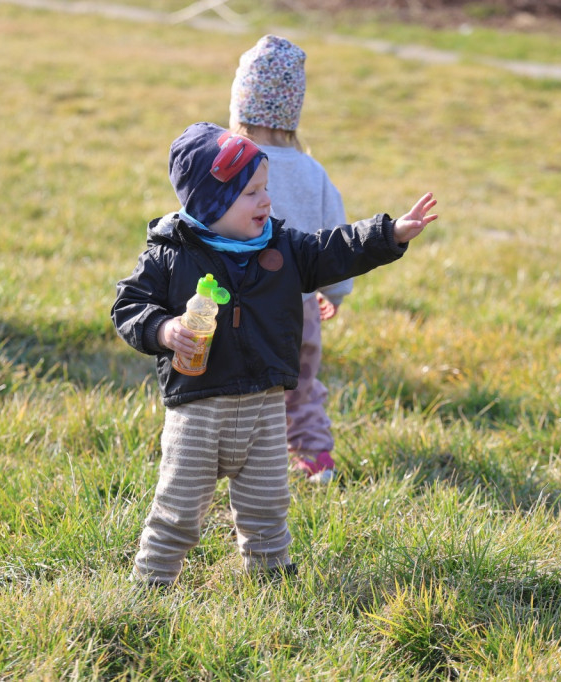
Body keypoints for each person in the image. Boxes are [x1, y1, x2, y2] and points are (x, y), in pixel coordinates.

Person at [112, 121, 437, 587]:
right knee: (180, 508)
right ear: (211, 202)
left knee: (267, 504)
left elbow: (335, 249)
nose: (266, 200)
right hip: (199, 409)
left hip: (265, 407)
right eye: (251, 193)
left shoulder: (283, 247)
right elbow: (127, 306)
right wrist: (164, 330)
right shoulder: (171, 254)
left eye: (265, 189)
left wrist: (391, 235)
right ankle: (153, 578)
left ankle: (271, 576)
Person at [230, 34, 349, 484]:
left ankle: (240, 461)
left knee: (241, 388)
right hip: (300, 306)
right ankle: (316, 459)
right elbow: (337, 237)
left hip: (242, 303)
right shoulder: (313, 173)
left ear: (240, 106)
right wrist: (335, 291)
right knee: (300, 384)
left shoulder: (233, 165)